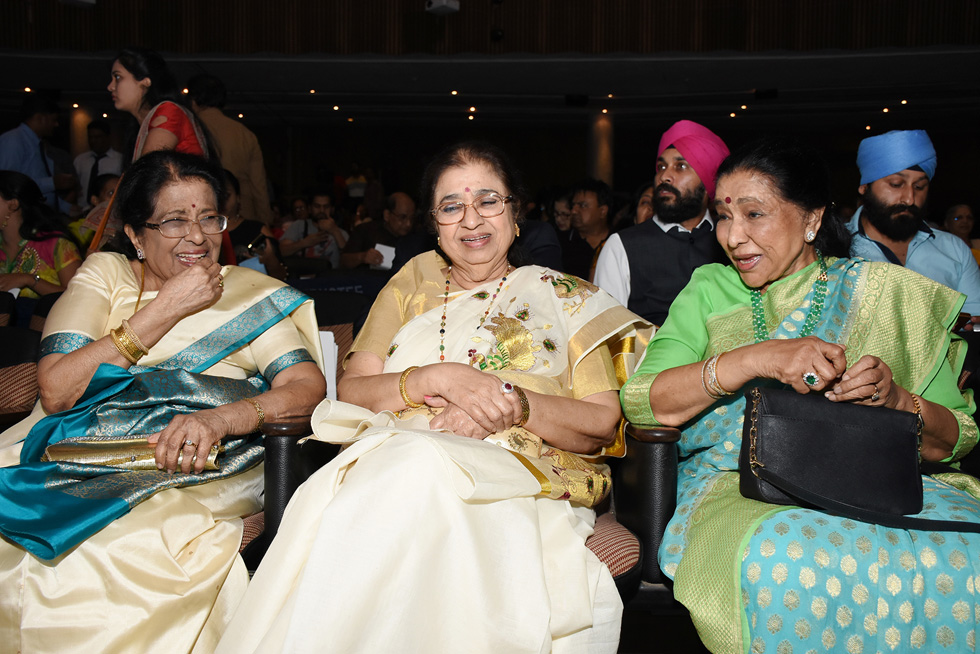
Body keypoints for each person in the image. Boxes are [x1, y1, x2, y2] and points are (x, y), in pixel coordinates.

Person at [217, 141, 651, 653]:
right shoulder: (411, 283)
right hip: (395, 457)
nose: (472, 219)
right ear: (435, 223)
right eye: (452, 207)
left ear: (516, 214)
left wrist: (512, 405)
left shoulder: (564, 296)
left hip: (517, 476)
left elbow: (602, 422)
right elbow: (354, 391)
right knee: (403, 472)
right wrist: (436, 379)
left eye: (489, 201)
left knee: (417, 479)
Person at [621, 137, 980, 653]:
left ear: (812, 219)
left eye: (754, 214)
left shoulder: (887, 292)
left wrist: (897, 400)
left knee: (960, 554)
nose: (733, 236)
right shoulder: (709, 290)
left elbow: (959, 438)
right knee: (785, 558)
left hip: (882, 481)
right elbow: (643, 401)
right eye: (724, 216)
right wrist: (756, 358)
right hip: (742, 485)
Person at [0, 151, 326, 654]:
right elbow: (57, 390)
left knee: (124, 545)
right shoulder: (106, 276)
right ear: (135, 234)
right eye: (174, 221)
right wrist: (167, 307)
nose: (197, 237)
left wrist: (222, 419)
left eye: (209, 218)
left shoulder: (249, 293)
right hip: (79, 450)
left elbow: (307, 387)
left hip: (199, 461)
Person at [595, 120, 729, 324]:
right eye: (662, 166)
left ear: (707, 181)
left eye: (680, 166)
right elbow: (605, 330)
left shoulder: (731, 240)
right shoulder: (622, 246)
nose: (664, 176)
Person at [846, 129, 980, 316]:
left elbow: (974, 323)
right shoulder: (834, 248)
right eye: (895, 184)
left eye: (919, 187)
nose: (909, 198)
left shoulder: (954, 251)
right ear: (864, 187)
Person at [187, 73, 273, 225]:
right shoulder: (244, 134)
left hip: (199, 215)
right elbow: (259, 186)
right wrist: (265, 223)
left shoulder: (189, 128)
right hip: (241, 217)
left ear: (193, 101)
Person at [0, 170, 82, 324]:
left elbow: (79, 295)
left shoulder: (56, 244)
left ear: (13, 204)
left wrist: (28, 280)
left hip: (43, 331)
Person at [108, 47, 208, 160]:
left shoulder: (170, 111)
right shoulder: (141, 125)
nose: (110, 87)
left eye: (118, 77)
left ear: (145, 82)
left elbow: (146, 173)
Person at [0, 94, 76, 213]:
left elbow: (42, 193)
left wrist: (67, 208)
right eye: (54, 120)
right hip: (22, 217)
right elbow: (8, 184)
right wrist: (52, 182)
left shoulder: (37, 144)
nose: (56, 125)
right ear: (40, 118)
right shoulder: (13, 141)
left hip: (38, 215)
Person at [339, 190, 415, 269]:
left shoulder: (416, 237)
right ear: (387, 215)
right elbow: (343, 261)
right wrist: (362, 257)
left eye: (412, 218)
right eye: (402, 217)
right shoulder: (365, 231)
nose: (408, 224)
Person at [562, 178, 613, 280]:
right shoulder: (562, 243)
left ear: (603, 211)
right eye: (573, 206)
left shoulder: (616, 242)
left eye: (582, 205)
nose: (574, 211)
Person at [72, 119, 123, 211]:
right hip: (81, 209)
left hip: (107, 210)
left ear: (107, 137)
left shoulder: (119, 160)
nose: (93, 141)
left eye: (97, 137)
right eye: (90, 137)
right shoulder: (80, 160)